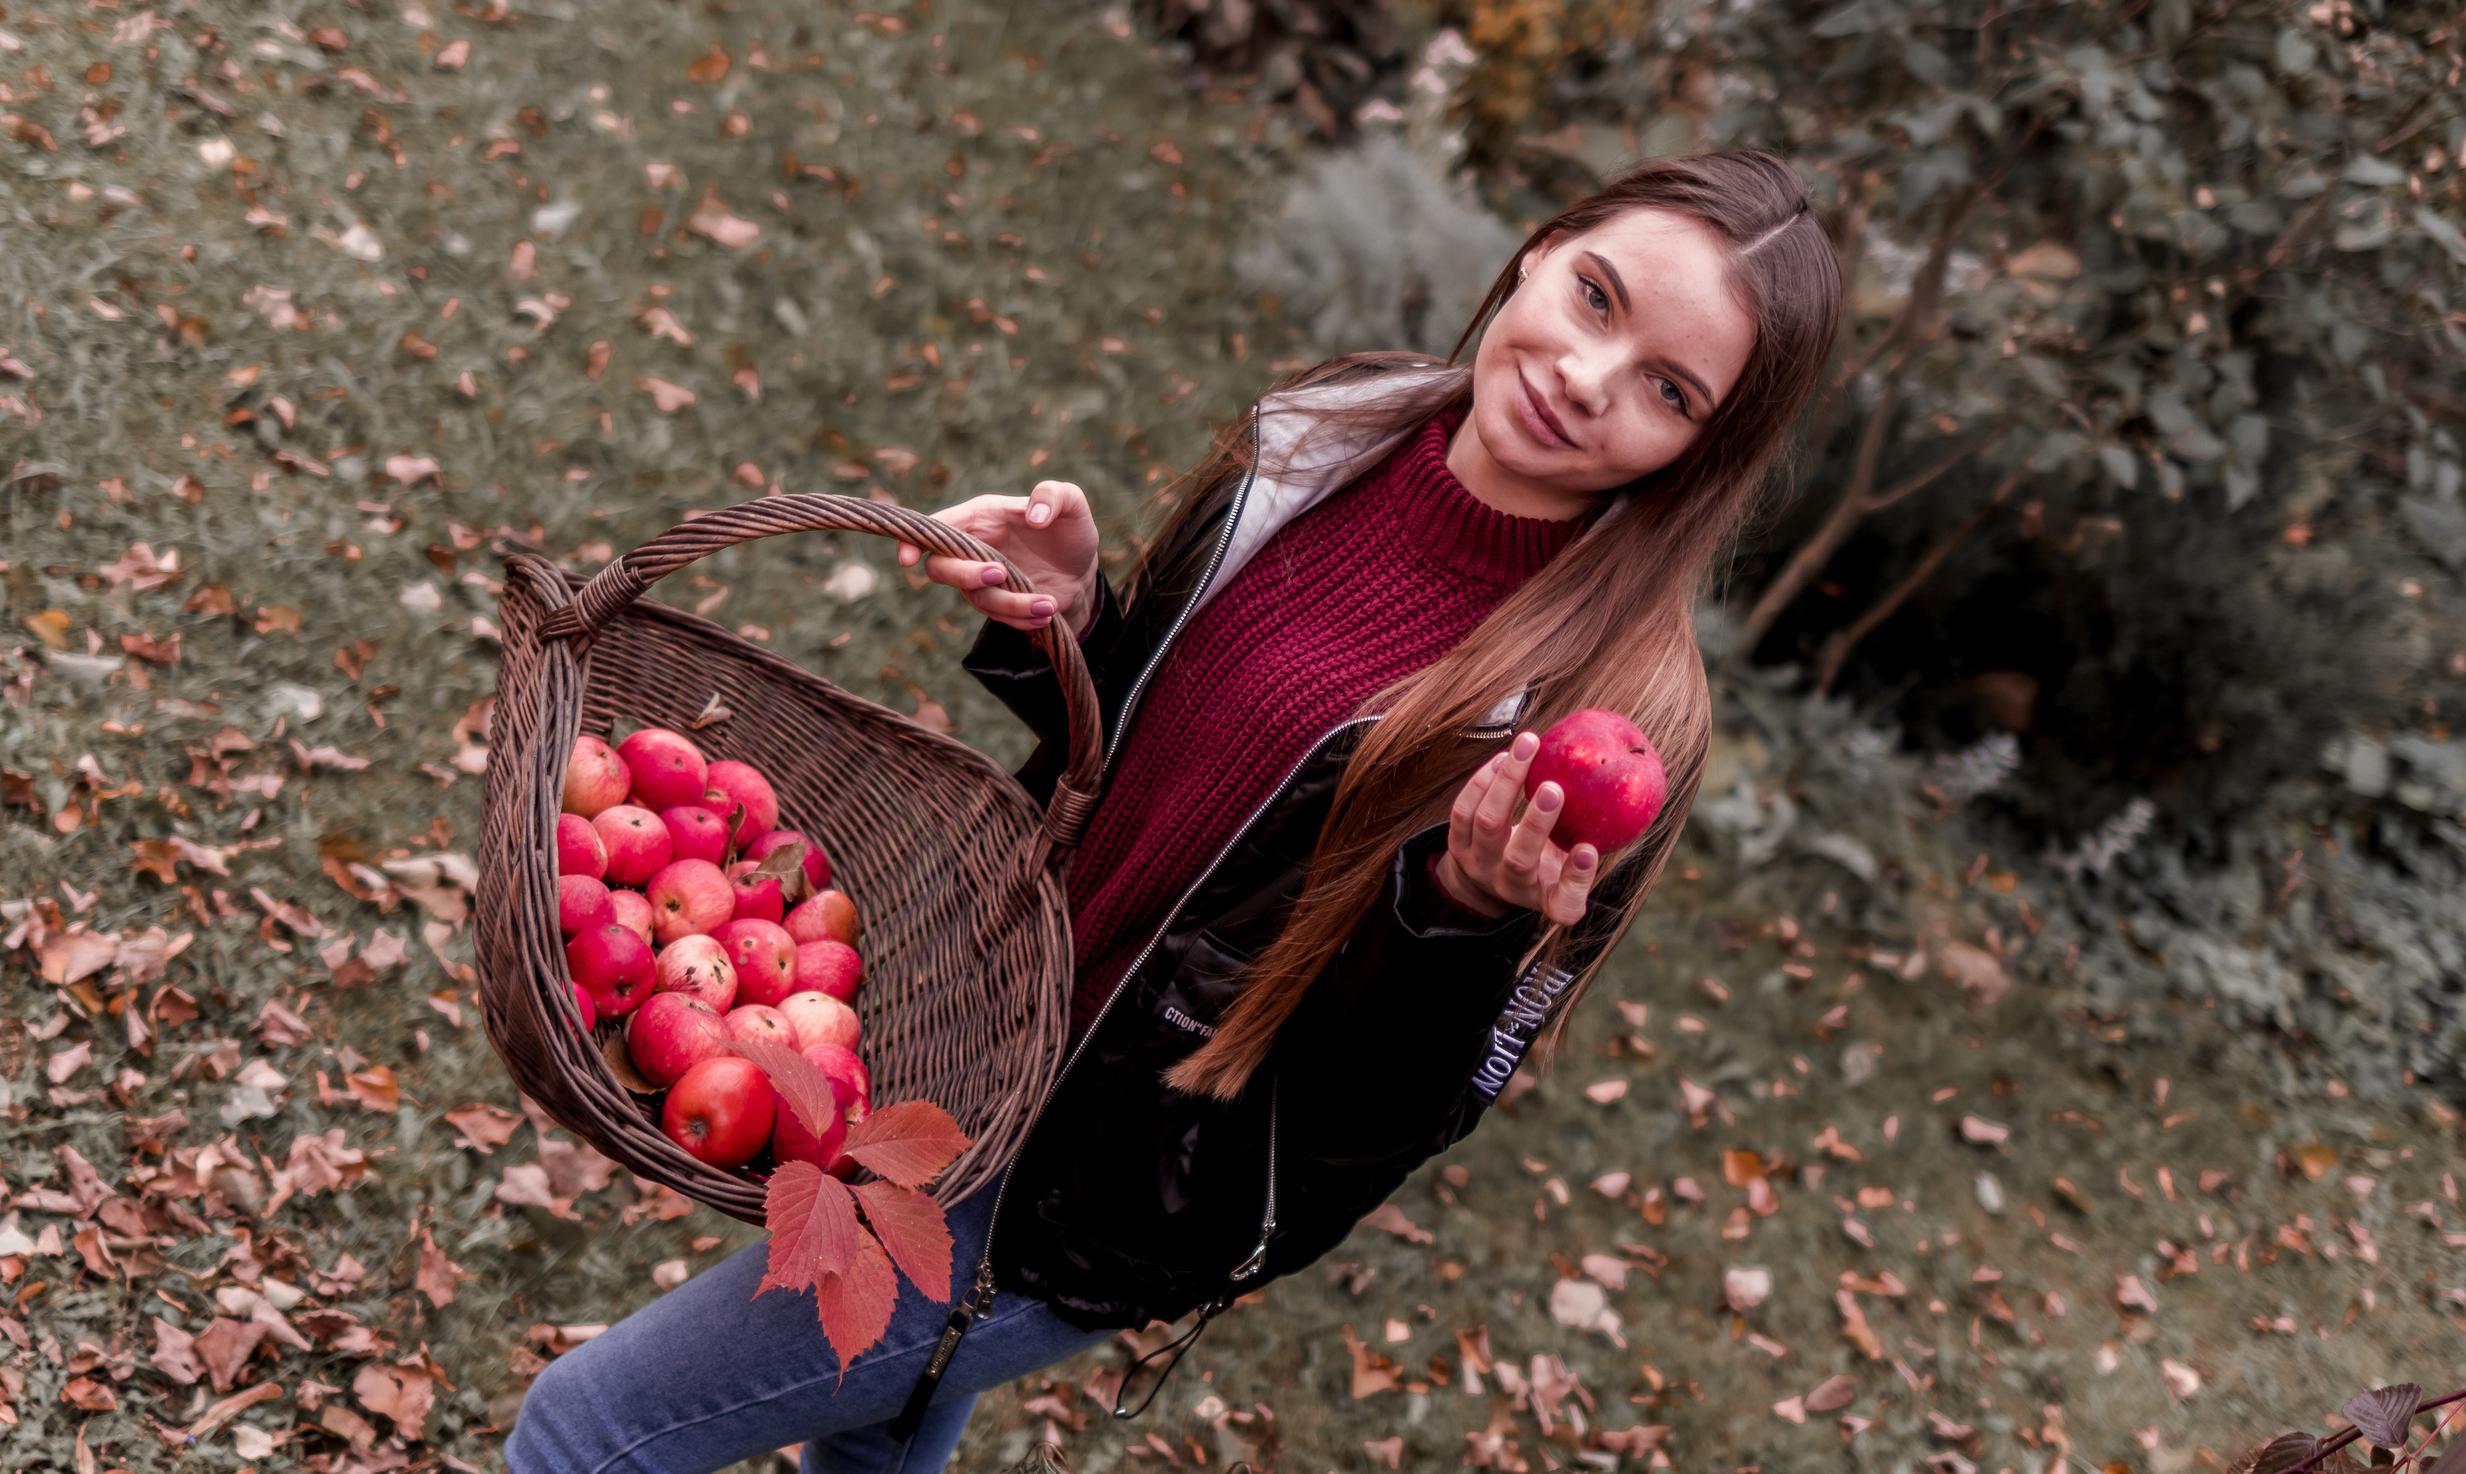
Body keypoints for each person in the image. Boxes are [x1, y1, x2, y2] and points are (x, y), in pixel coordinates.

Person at [504, 149, 1842, 1474]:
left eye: (1667, 390)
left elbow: (1392, 1112)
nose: (1584, 378)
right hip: (985, 1025)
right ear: (1543, 251)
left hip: (1099, 1172)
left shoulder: (1597, 717)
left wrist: (1460, 921)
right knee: (869, 1438)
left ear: (1700, 453)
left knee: (586, 1430)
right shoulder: (1333, 437)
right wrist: (1075, 626)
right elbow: (1188, 756)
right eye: (1596, 298)